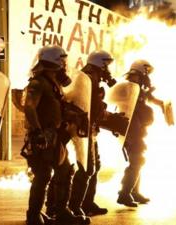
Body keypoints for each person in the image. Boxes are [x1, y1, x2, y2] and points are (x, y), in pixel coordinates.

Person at [22, 45, 89, 225]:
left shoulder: (54, 83)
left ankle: (61, 212)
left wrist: (73, 115)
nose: (64, 65)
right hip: (43, 137)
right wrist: (37, 132)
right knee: (43, 175)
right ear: (54, 62)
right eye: (62, 61)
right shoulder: (37, 83)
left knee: (66, 172)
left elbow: (55, 109)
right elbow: (29, 107)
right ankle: (33, 215)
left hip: (55, 137)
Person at [69, 50, 119, 217]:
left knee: (93, 167)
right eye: (107, 65)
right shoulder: (88, 79)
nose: (108, 70)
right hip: (83, 130)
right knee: (86, 168)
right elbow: (87, 107)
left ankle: (87, 203)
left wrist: (110, 119)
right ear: (101, 64)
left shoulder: (92, 78)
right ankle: (75, 206)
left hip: (90, 129)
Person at [117, 59, 164, 207]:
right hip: (131, 132)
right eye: (145, 72)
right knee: (136, 161)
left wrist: (163, 104)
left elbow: (150, 99)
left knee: (138, 161)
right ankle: (124, 193)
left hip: (138, 131)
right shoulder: (128, 88)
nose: (146, 76)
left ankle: (134, 192)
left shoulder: (138, 89)